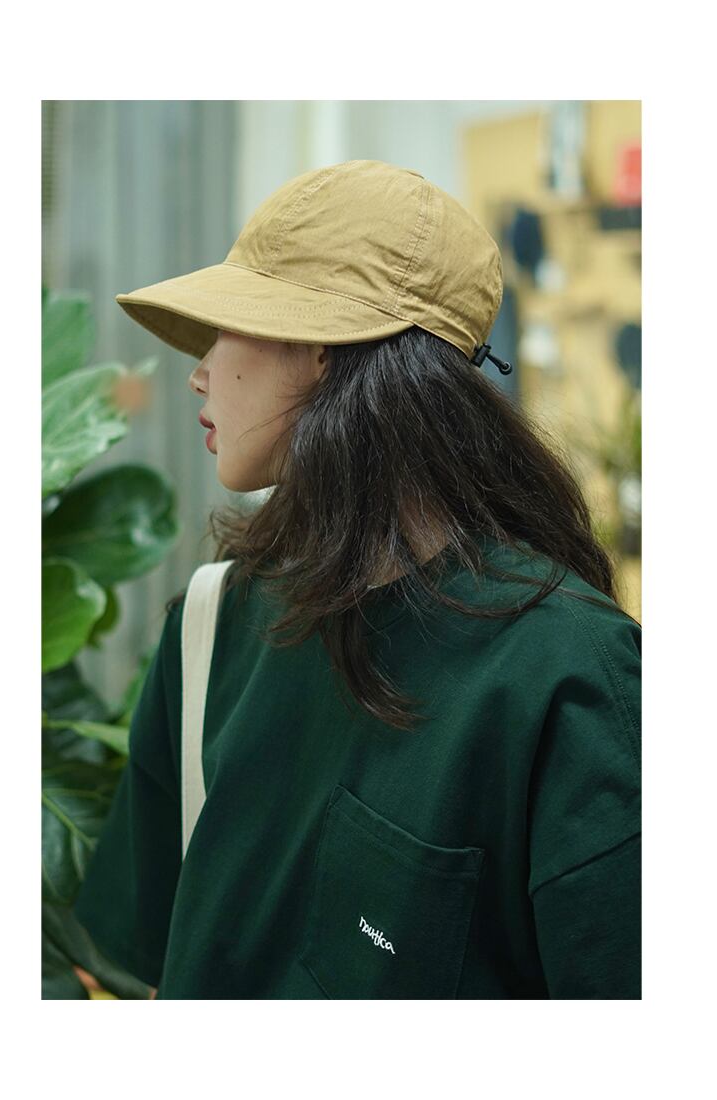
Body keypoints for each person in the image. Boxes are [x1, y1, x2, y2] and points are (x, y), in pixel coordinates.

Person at [72, 159, 641, 999]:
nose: (198, 371)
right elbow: (132, 969)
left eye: (226, 327)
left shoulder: (568, 673)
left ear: (320, 351)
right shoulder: (210, 628)